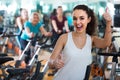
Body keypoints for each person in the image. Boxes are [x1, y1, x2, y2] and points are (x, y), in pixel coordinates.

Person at [48, 4, 112, 80]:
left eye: (82, 18)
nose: (78, 22)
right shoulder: (64, 38)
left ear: (88, 19)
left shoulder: (91, 39)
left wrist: (109, 23)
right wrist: (54, 62)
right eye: (75, 18)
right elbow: (50, 61)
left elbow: (106, 43)